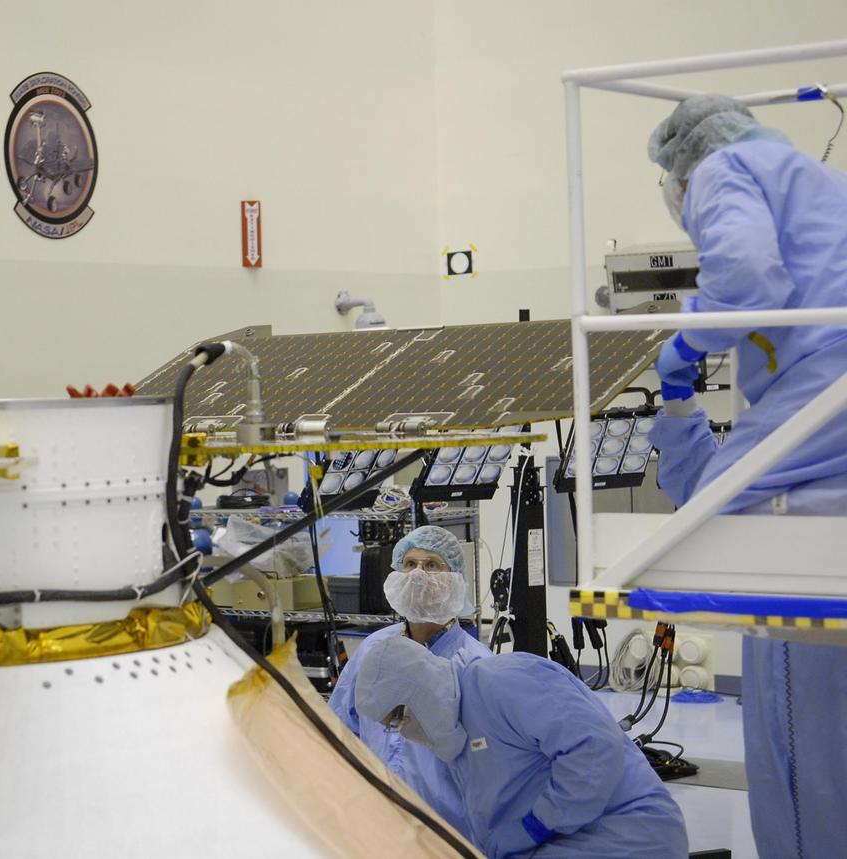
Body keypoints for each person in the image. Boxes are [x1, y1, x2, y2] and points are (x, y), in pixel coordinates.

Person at [647, 94, 847, 858]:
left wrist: (684, 345)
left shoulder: (724, 168)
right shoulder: (816, 182)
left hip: (805, 514)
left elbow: (746, 275)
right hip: (820, 428)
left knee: (803, 764)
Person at [355, 636, 688, 858]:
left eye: (400, 716)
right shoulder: (456, 738)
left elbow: (594, 749)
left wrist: (538, 824)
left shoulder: (500, 680)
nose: (405, 730)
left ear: (418, 690)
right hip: (565, 845)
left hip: (625, 836)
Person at [328, 525, 489, 841]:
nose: (418, 575)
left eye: (432, 565)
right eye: (410, 564)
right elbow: (342, 730)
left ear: (455, 579)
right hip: (375, 823)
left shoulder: (476, 666)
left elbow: (491, 766)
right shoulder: (374, 651)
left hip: (446, 833)